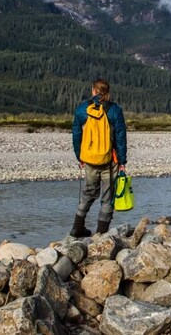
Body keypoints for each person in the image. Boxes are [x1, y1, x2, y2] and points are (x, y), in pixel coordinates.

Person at [69, 78, 127, 237]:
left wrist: (79, 157)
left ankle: (77, 228)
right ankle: (101, 234)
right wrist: (122, 161)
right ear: (107, 92)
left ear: (94, 90)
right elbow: (121, 137)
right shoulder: (115, 110)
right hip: (110, 160)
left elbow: (76, 135)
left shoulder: (82, 109)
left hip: (89, 160)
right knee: (108, 198)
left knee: (88, 193)